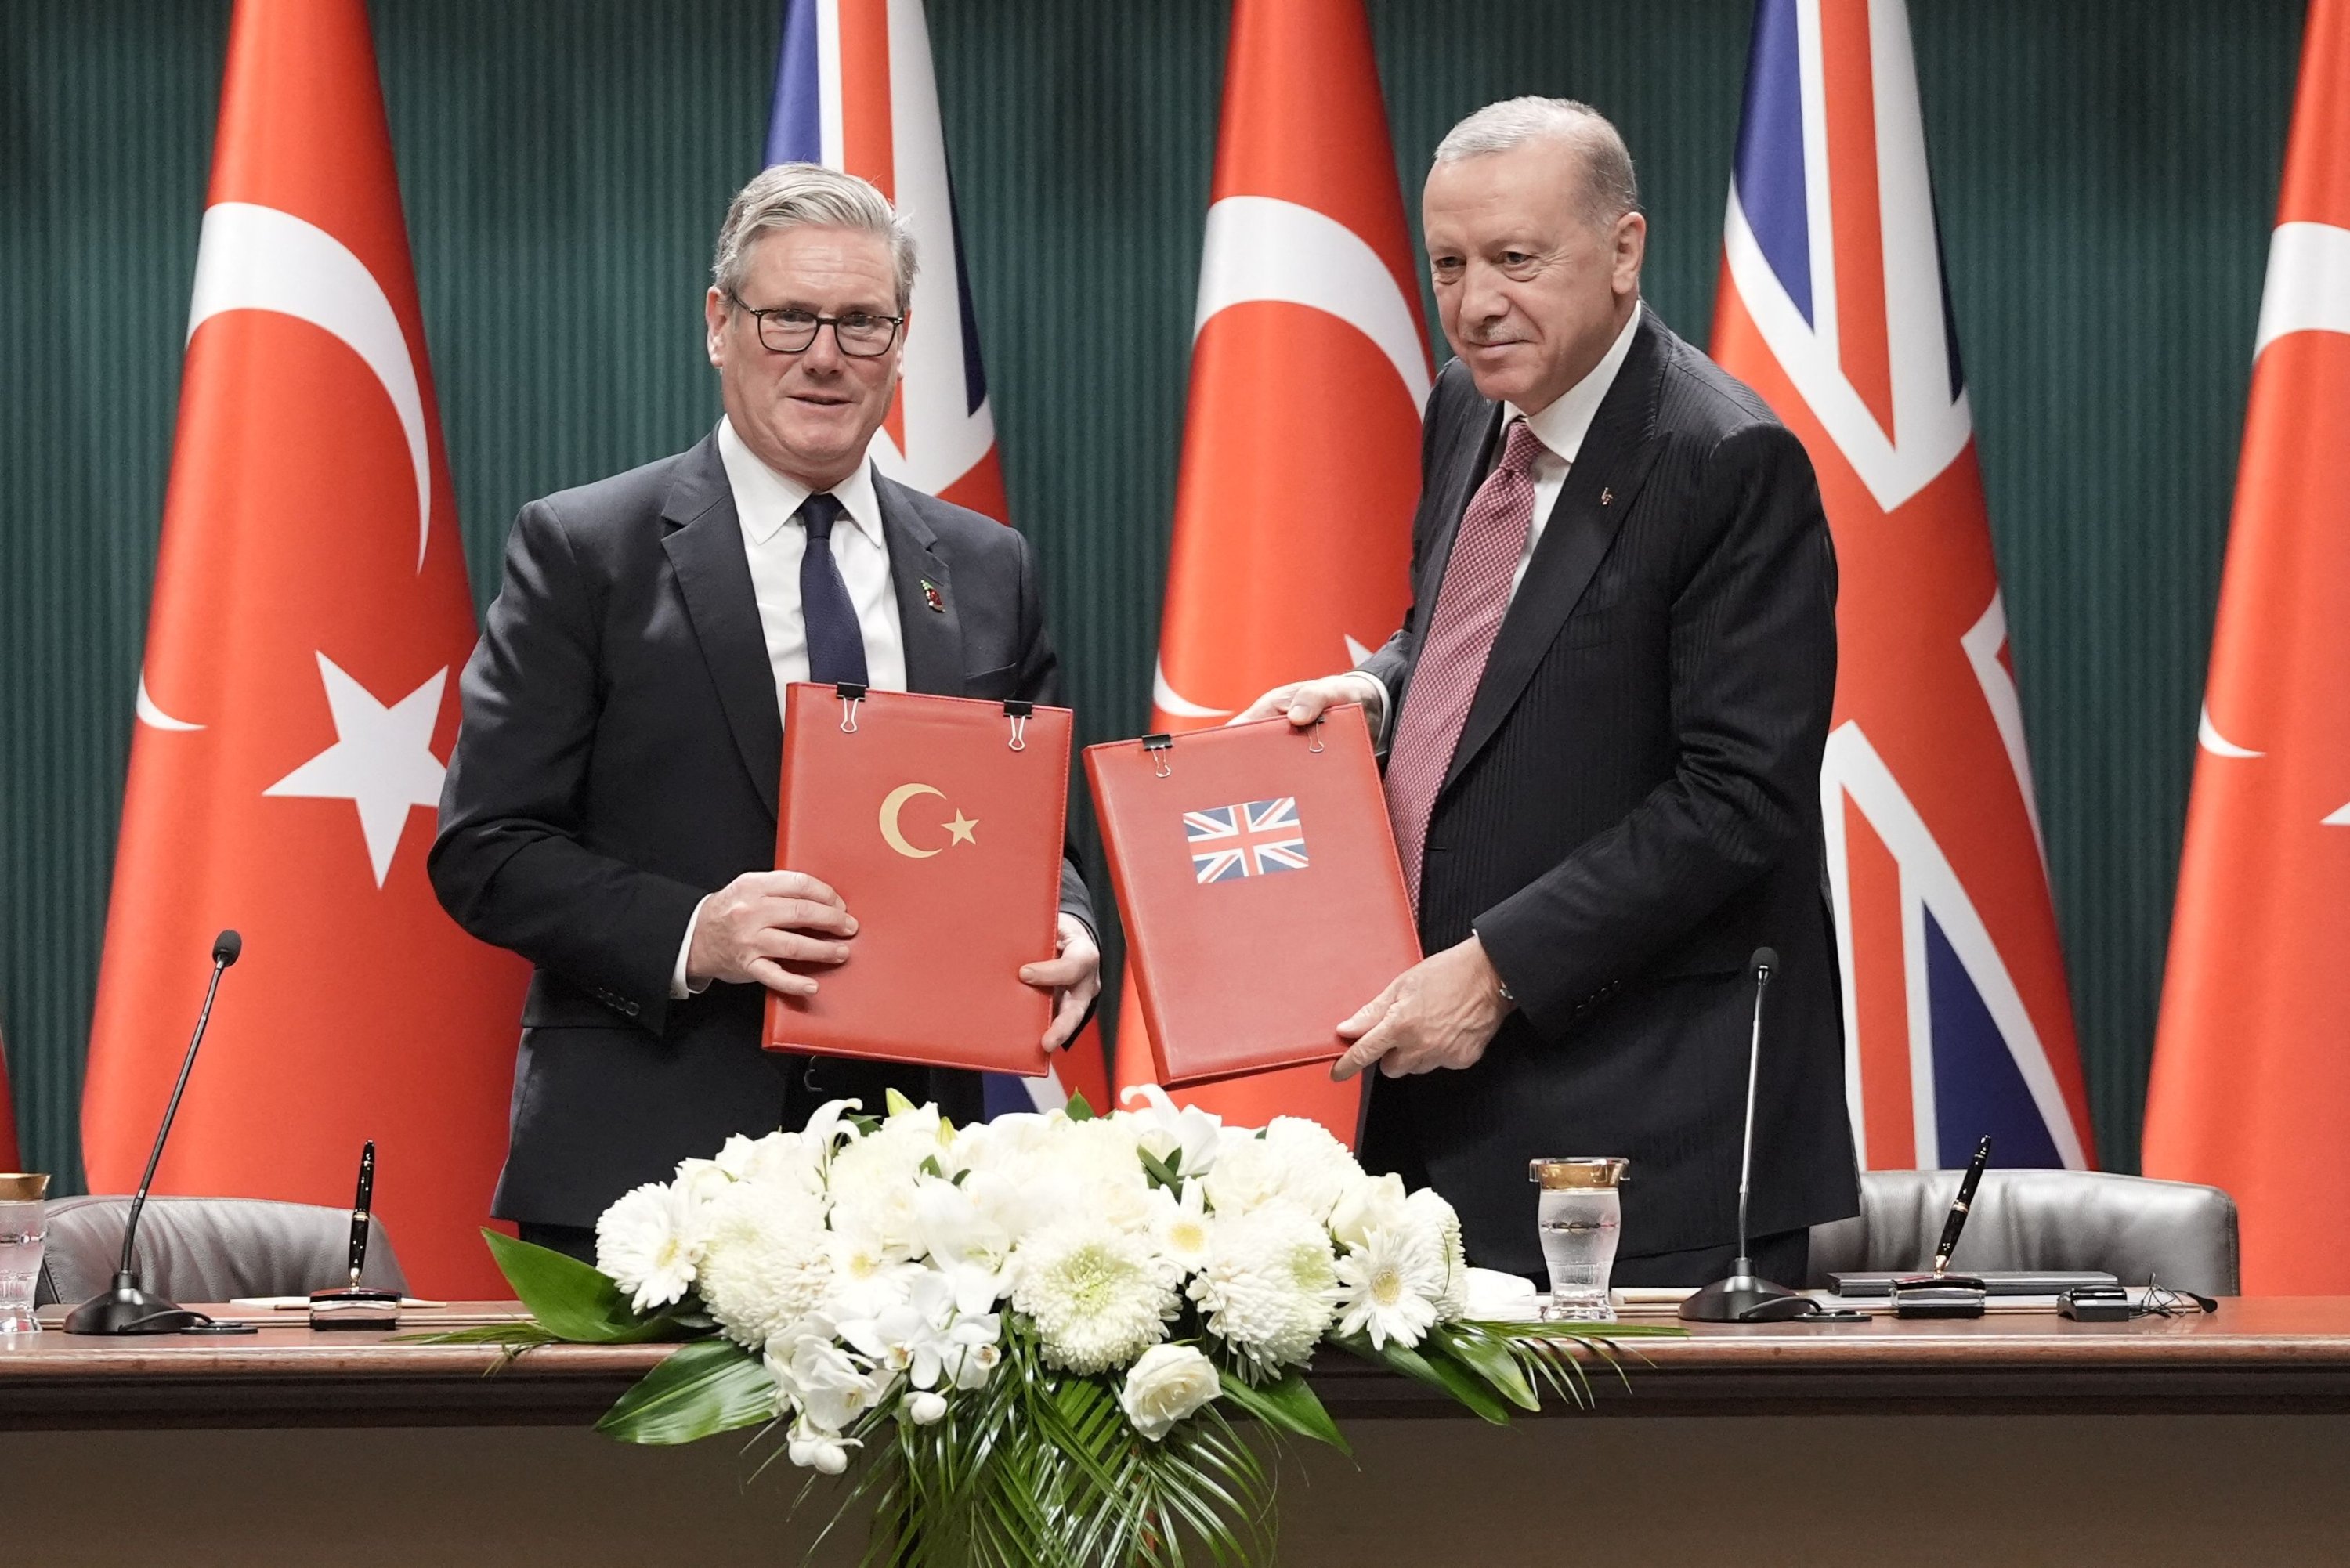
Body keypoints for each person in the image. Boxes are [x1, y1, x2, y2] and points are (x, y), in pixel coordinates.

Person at [1238, 99, 1858, 1287]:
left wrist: (1497, 966)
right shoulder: (1468, 403)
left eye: (1517, 260)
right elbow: (1469, 639)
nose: (1476, 302)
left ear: (1625, 250)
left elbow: (1737, 796)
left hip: (1644, 1135)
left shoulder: (1727, 460)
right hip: (1444, 1109)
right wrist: (1372, 696)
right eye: (1451, 264)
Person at [432, 164, 1100, 1261]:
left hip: (918, 1187)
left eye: (862, 322)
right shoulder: (585, 549)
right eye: (790, 316)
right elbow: (486, 850)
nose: (825, 355)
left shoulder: (987, 567)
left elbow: (1040, 834)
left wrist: (1065, 924)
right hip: (648, 1180)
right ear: (720, 323)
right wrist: (703, 931)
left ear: (900, 342)